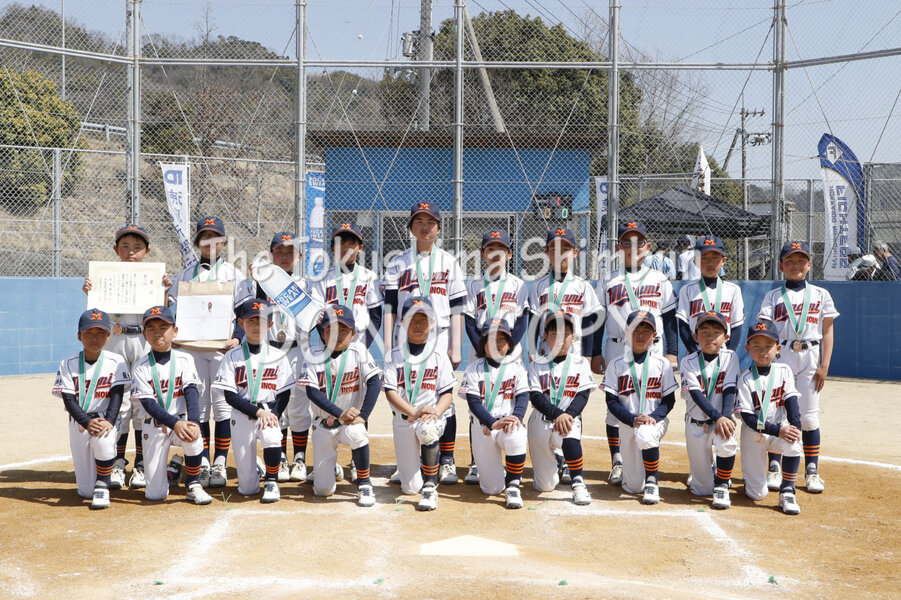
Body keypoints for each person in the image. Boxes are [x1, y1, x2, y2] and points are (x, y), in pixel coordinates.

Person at [81, 225, 172, 490]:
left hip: (143, 340)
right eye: (125, 246)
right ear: (116, 249)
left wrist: (165, 291)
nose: (131, 252)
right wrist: (90, 292)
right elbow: (96, 313)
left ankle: (142, 463)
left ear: (147, 251)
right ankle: (117, 463)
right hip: (117, 340)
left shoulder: (154, 277)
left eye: (137, 247)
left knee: (144, 399)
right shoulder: (105, 276)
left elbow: (163, 313)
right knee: (117, 401)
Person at [383, 202, 466, 485]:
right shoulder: (397, 262)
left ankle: (446, 460)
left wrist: (456, 345)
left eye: (430, 222)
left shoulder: (449, 262)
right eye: (418, 221)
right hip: (406, 333)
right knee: (405, 394)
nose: (424, 227)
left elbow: (457, 307)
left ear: (439, 228)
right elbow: (390, 307)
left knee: (443, 398)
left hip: (439, 332)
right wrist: (388, 345)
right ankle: (408, 460)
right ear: (410, 227)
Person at [592, 220, 678, 487]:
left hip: (653, 346)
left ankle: (646, 455)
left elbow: (669, 318)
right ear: (618, 248)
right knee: (616, 405)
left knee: (651, 401)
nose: (632, 247)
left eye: (638, 242)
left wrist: (673, 352)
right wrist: (595, 352)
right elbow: (598, 319)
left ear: (647, 247)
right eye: (626, 243)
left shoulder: (659, 279)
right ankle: (618, 460)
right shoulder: (608, 280)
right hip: (618, 345)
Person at [170, 216, 252, 489]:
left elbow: (243, 311)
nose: (210, 242)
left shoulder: (234, 273)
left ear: (224, 242)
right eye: (204, 237)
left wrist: (237, 337)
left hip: (221, 348)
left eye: (215, 237)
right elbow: (177, 312)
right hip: (193, 348)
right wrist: (177, 335)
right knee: (201, 405)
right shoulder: (185, 274)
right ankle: (203, 460)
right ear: (197, 242)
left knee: (222, 404)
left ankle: (220, 461)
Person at [758, 241, 838, 495]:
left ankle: (811, 469)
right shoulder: (773, 296)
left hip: (810, 356)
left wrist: (825, 364)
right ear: (781, 265)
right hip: (781, 354)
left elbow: (827, 331)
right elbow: (765, 330)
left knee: (809, 416)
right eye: (790, 261)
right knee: (776, 413)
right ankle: (774, 465)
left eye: (801, 260)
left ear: (809, 265)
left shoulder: (821, 294)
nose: (795, 265)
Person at [462, 229, 529, 485]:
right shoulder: (473, 285)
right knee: (477, 407)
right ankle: (476, 462)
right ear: (482, 254)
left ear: (509, 254)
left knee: (510, 401)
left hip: (509, 350)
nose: (495, 254)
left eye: (500, 249)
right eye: (490, 249)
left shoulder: (519, 285)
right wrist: (484, 349)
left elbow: (522, 320)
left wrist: (507, 347)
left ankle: (512, 457)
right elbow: (470, 322)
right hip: (481, 351)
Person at [297, 305, 382, 507]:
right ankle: (331, 468)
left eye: (343, 329)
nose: (337, 334)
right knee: (323, 490)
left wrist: (363, 416)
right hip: (323, 425)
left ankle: (364, 483)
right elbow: (312, 392)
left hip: (349, 423)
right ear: (322, 333)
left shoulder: (359, 350)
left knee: (358, 432)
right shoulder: (312, 354)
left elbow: (374, 382)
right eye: (331, 329)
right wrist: (339, 412)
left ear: (353, 333)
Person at [213, 299, 295, 503]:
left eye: (262, 321)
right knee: (247, 489)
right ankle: (257, 467)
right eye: (251, 321)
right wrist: (258, 412)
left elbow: (284, 393)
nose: (256, 326)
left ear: (270, 324)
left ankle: (272, 481)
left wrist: (274, 414)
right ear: (241, 323)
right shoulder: (232, 356)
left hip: (268, 413)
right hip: (242, 414)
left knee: (273, 435)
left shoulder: (278, 355)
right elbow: (230, 396)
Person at [130, 306, 212, 505]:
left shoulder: (185, 359)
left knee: (194, 435)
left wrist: (194, 422)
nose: (157, 333)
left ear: (174, 332)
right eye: (151, 329)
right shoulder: (140, 367)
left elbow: (191, 391)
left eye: (163, 327)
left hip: (181, 423)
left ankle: (193, 484)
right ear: (144, 334)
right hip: (154, 426)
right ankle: (172, 470)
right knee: (155, 494)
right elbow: (148, 404)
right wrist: (175, 423)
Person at [248, 231, 312, 483]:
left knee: (298, 405)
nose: (285, 256)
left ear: (299, 256)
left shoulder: (306, 285)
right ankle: (282, 458)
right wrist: (258, 282)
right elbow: (257, 310)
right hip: (271, 350)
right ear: (271, 255)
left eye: (290, 252)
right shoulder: (264, 282)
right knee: (276, 404)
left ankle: (299, 458)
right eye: (279, 251)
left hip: (297, 349)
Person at [52, 309, 131, 509]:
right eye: (88, 333)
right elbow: (68, 400)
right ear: (79, 336)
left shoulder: (116, 361)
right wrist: (86, 422)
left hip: (106, 418)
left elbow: (117, 395)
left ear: (108, 336)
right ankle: (97, 481)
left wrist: (109, 421)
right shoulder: (68, 363)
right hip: (79, 422)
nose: (94, 338)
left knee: (104, 438)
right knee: (85, 491)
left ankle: (103, 484)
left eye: (100, 333)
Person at [383, 297, 457, 511]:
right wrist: (414, 411)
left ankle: (430, 486)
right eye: (412, 320)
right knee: (409, 488)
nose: (417, 325)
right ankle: (418, 469)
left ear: (432, 323)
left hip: (430, 418)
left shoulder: (439, 356)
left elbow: (447, 394)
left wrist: (435, 412)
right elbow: (390, 392)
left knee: (427, 430)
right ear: (402, 323)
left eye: (423, 320)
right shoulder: (393, 356)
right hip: (404, 420)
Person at [602, 310, 678, 505]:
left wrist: (654, 417)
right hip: (628, 423)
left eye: (646, 331)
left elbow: (669, 400)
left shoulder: (662, 364)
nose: (641, 335)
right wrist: (631, 419)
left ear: (654, 336)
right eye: (636, 330)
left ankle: (652, 481)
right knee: (634, 486)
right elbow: (611, 401)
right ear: (626, 334)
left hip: (654, 421)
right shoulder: (616, 364)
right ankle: (637, 476)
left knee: (646, 432)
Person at [459, 320, 531, 509]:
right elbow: (473, 402)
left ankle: (513, 485)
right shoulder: (473, 368)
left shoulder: (517, 367)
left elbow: (523, 396)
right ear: (483, 344)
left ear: (509, 344)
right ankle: (499, 476)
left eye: (501, 339)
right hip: (483, 427)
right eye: (491, 339)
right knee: (491, 489)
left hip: (507, 423)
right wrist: (491, 423)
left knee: (517, 433)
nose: (497, 344)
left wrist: (517, 417)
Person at [527, 311, 596, 506]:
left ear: (573, 337)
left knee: (570, 431)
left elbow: (583, 395)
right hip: (541, 421)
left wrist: (567, 415)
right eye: (554, 334)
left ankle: (578, 482)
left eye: (565, 334)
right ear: (545, 336)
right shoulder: (536, 365)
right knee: (545, 486)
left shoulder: (581, 363)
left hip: (569, 419)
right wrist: (558, 414)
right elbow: (536, 397)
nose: (560, 339)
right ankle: (557, 460)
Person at [735, 320, 803, 515]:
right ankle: (752, 477)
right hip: (754, 434)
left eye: (768, 346)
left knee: (793, 440)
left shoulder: (784, 371)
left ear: (778, 348)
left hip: (779, 430)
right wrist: (777, 431)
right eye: (756, 346)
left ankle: (787, 491)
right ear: (748, 349)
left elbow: (791, 402)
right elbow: (747, 417)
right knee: (757, 494)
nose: (762, 351)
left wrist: (795, 427)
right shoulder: (745, 379)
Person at [678, 312, 739, 509]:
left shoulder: (730, 357)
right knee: (701, 489)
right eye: (704, 332)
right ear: (695, 336)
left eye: (716, 332)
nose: (710, 337)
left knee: (727, 439)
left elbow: (729, 389)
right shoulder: (688, 361)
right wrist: (718, 417)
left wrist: (725, 417)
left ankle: (722, 484)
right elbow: (696, 394)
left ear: (726, 337)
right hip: (696, 424)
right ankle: (710, 471)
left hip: (721, 421)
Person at [312, 222, 383, 348]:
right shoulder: (322, 278)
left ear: (360, 247)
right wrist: (328, 342)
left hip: (359, 341)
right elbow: (318, 316)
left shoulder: (369, 277)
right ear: (332, 248)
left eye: (351, 243)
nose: (346, 248)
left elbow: (375, 317)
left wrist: (363, 346)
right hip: (329, 342)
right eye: (340, 243)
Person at [676, 235, 745, 353]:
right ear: (695, 262)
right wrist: (695, 354)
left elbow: (736, 327)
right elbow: (683, 326)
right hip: (695, 350)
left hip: (723, 350)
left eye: (715, 257)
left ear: (723, 261)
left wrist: (729, 354)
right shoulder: (687, 290)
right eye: (704, 258)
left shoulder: (733, 290)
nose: (710, 263)